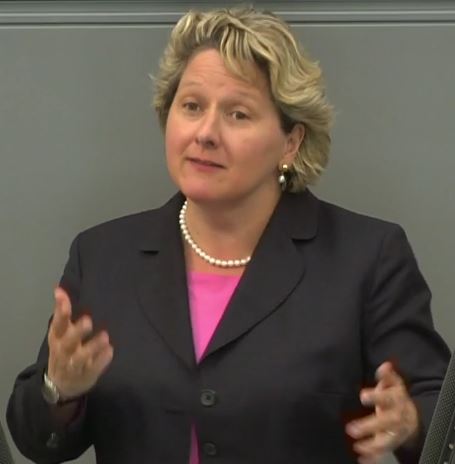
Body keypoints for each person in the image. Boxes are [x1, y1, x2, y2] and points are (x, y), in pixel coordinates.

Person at [7, 7, 450, 464]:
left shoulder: (366, 257)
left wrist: (411, 422)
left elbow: (439, 408)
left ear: (291, 142)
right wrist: (59, 389)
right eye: (192, 106)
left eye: (238, 114)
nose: (206, 133)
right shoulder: (103, 256)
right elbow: (33, 437)